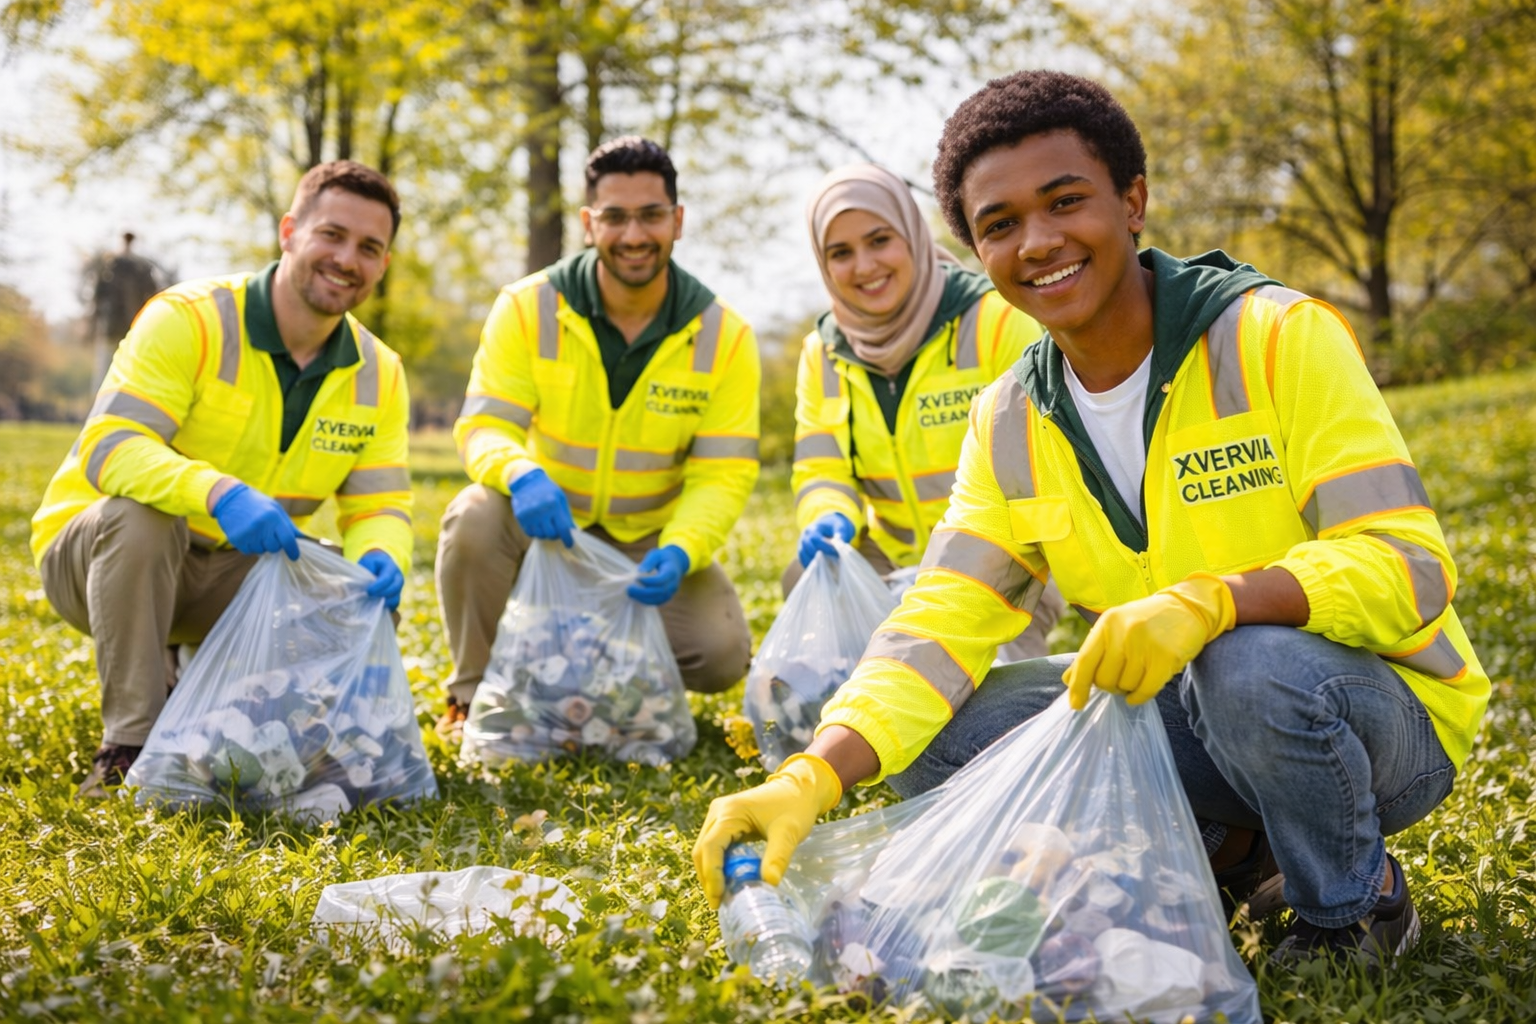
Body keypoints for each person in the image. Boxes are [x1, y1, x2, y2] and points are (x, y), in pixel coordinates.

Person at [694, 71, 1488, 970]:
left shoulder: (1276, 335)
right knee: (937, 738)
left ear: (1133, 202)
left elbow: (1408, 567)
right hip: (1192, 712)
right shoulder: (1009, 418)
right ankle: (1238, 852)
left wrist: (1214, 601)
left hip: (1371, 718)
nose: (1038, 242)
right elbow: (939, 619)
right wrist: (813, 772)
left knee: (1244, 663)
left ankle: (1353, 906)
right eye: (999, 225)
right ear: (976, 252)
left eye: (1065, 202)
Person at [33, 160, 414, 797]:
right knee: (142, 515)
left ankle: (240, 725)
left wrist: (381, 553)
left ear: (383, 264)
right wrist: (219, 493)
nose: (347, 258)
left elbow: (380, 502)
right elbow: (110, 446)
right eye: (332, 235)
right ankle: (130, 744)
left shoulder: (380, 371)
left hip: (233, 578)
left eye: (369, 248)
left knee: (341, 579)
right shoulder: (190, 318)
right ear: (290, 231)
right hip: (103, 561)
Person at [435, 136, 759, 735]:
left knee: (719, 653)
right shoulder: (526, 307)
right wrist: (521, 475)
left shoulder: (725, 336)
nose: (633, 235)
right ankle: (473, 695)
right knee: (474, 519)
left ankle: (609, 676)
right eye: (614, 217)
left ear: (677, 221)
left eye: (651, 215)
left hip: (648, 544)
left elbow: (724, 473)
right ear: (589, 224)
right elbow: (483, 426)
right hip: (547, 530)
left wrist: (683, 548)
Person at [787, 164, 1064, 661]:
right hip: (891, 559)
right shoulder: (821, 352)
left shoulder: (998, 320)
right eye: (841, 253)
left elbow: (1042, 478)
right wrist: (829, 513)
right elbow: (820, 465)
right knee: (806, 585)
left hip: (1007, 561)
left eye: (879, 241)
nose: (865, 266)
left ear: (912, 235)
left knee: (988, 711)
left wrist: (956, 577)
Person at [88, 232, 167, 391]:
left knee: (117, 368)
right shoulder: (120, 266)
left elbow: (97, 296)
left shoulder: (125, 265)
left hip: (126, 325)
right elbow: (97, 297)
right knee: (113, 367)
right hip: (121, 325)